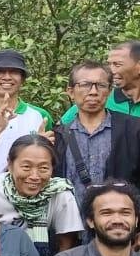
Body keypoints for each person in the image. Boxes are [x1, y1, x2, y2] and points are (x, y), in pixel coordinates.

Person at [0, 135, 82, 256]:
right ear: (10, 164)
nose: (34, 176)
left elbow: (66, 245)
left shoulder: (60, 192)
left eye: (43, 168)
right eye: (26, 167)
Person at [53, 60, 140, 209]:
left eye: (101, 85)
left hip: (120, 226)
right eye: (85, 85)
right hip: (69, 229)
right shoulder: (58, 137)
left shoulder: (134, 129)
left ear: (109, 91)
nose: (93, 92)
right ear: (71, 92)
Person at [60, 40, 140, 120]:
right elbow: (61, 128)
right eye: (109, 64)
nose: (111, 71)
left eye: (117, 65)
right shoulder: (100, 100)